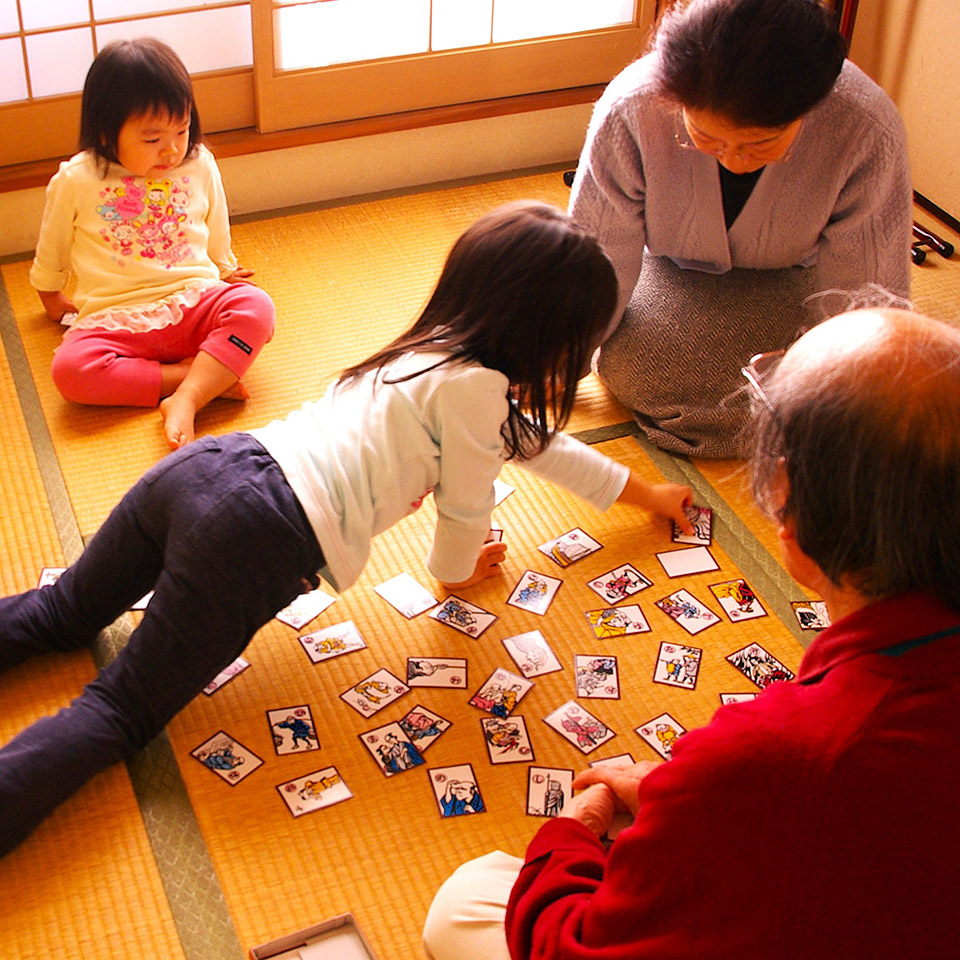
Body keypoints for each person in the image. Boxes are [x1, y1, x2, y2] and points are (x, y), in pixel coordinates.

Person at [0, 201, 693, 858]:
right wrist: (462, 573)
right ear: (549, 341)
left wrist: (648, 494)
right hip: (255, 538)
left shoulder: (426, 349)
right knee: (119, 711)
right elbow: (462, 524)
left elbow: (538, 445)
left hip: (209, 466)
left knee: (63, 611)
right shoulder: (479, 393)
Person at [422, 303, 960, 959]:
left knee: (465, 901)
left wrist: (572, 834)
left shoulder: (770, 754)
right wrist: (688, 797)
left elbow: (571, 949)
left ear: (789, 518)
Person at [569, 0, 912, 457]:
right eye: (706, 137)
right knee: (640, 366)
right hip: (672, 271)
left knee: (836, 388)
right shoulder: (632, 108)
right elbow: (599, 255)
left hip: (801, 278)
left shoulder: (865, 127)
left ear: (812, 108)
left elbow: (865, 290)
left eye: (761, 143)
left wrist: (856, 399)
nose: (734, 159)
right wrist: (560, 359)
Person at [29, 38, 275, 449]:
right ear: (107, 132)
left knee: (257, 307)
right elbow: (52, 242)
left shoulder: (198, 163)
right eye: (152, 139)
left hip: (192, 301)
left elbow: (215, 221)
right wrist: (50, 294)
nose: (172, 148)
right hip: (116, 318)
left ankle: (187, 397)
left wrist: (225, 267)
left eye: (181, 129)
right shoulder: (77, 179)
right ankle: (200, 377)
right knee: (70, 372)